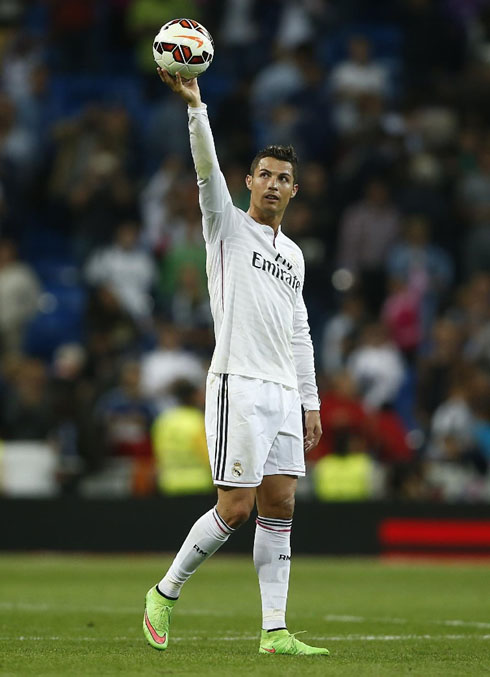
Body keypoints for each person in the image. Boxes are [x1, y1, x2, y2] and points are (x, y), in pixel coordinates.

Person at [142, 69, 328, 657]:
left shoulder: (293, 255)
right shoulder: (225, 226)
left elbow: (299, 330)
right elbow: (204, 168)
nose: (273, 185)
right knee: (237, 506)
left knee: (281, 505)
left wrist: (311, 400)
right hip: (237, 384)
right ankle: (164, 594)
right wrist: (196, 107)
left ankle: (274, 632)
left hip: (281, 391)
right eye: (265, 175)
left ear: (295, 191)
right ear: (248, 181)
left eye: (284, 179)